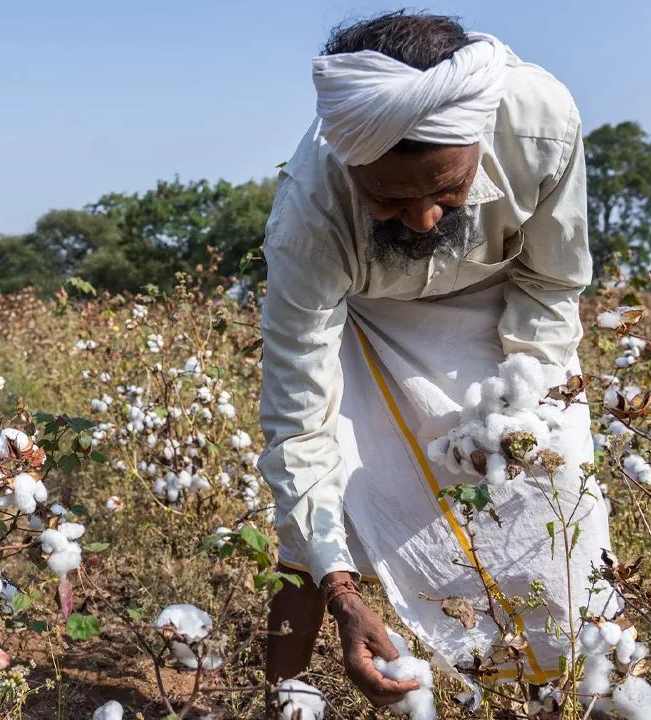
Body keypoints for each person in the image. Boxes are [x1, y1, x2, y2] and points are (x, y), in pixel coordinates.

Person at [258, 11, 616, 707]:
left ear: (480, 139)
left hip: (505, 305)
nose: (424, 219)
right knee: (317, 513)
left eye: (448, 191)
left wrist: (518, 413)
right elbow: (298, 427)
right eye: (391, 198)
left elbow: (552, 284)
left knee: (559, 493)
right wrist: (343, 593)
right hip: (365, 319)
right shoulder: (311, 214)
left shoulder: (541, 121)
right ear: (352, 165)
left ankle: (557, 690)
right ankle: (283, 695)